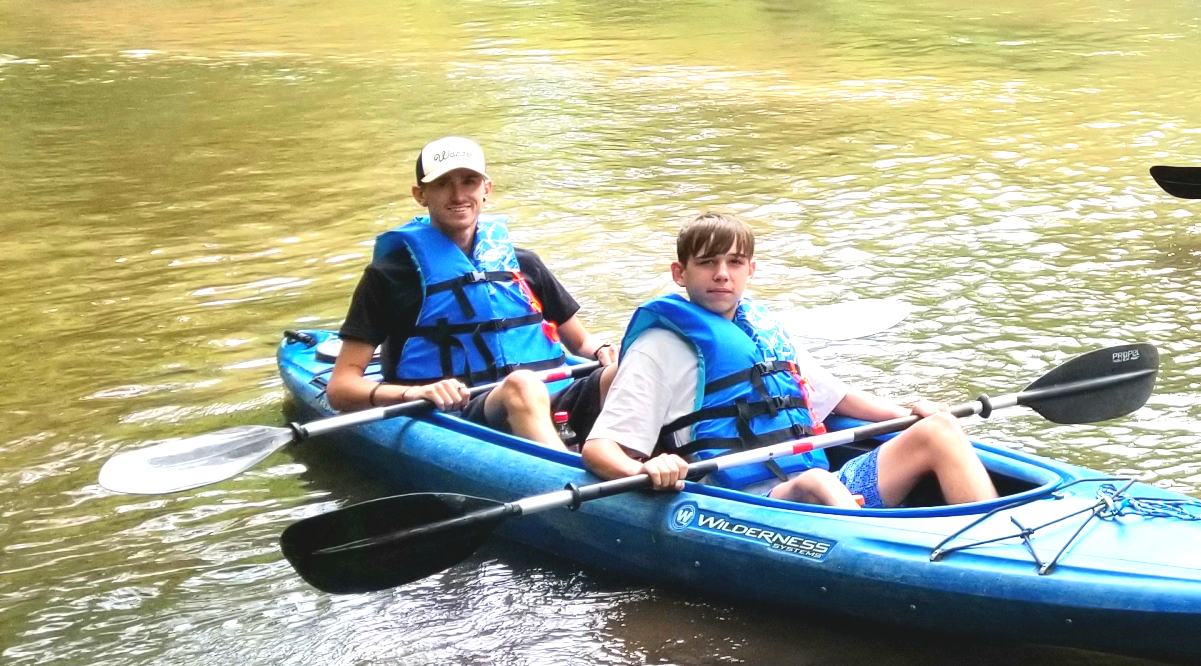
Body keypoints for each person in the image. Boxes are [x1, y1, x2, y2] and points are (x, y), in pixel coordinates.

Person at [581, 211, 999, 509]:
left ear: (750, 270)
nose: (722, 274)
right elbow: (600, 450)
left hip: (825, 486)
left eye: (734, 263)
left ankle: (997, 543)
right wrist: (654, 466)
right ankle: (881, 567)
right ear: (680, 273)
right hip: (742, 502)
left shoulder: (763, 330)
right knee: (815, 482)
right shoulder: (661, 346)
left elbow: (838, 400)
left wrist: (911, 415)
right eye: (707, 263)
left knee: (939, 430)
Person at [325, 136, 609, 447]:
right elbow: (341, 388)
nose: (458, 194)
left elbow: (580, 341)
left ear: (486, 189)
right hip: (459, 412)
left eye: (469, 181)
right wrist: (414, 393)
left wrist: (602, 351)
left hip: (551, 397)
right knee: (522, 385)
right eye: (443, 183)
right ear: (421, 195)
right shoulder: (390, 276)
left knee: (623, 370)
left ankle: (648, 461)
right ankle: (570, 476)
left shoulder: (524, 264)